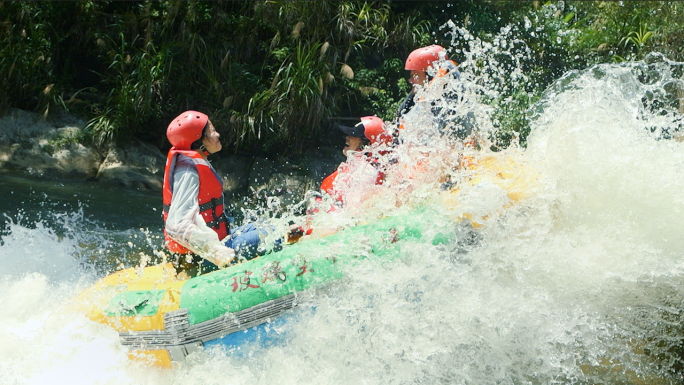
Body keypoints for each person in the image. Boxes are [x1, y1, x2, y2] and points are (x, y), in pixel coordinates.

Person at [162, 110, 277, 276]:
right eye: (211, 131)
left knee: (271, 226)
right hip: (200, 258)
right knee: (275, 235)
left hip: (216, 243)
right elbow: (176, 225)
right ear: (197, 140)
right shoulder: (187, 170)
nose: (217, 134)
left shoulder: (193, 161)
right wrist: (216, 251)